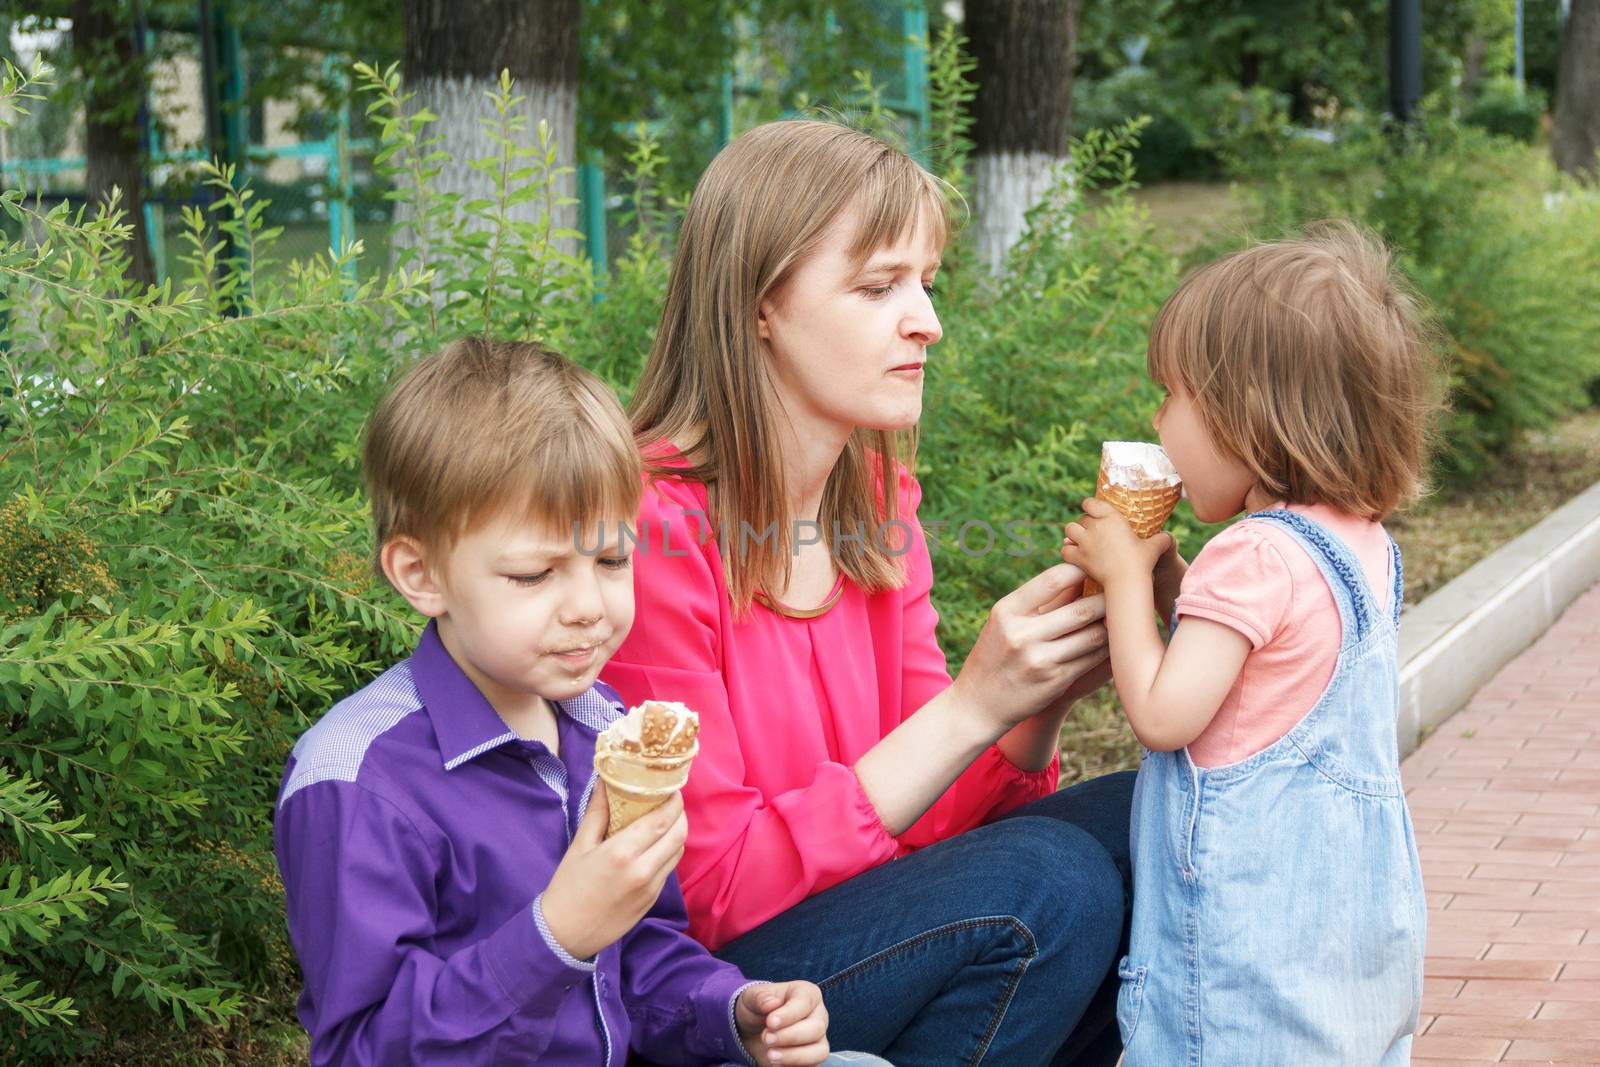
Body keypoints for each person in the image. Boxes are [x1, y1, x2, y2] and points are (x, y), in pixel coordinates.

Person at [603, 119, 1139, 1067]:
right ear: (760, 304)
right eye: (879, 286)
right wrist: (972, 704)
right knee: (1050, 880)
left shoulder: (875, 505)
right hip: (723, 993)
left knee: (1151, 821)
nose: (927, 319)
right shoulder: (649, 532)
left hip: (862, 929)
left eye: (927, 282)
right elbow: (714, 889)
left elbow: (931, 819)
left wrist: (1033, 703)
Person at [273, 338, 846, 1067]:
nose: (587, 605)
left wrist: (729, 1010)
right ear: (421, 573)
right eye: (535, 573)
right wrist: (556, 934)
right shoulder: (358, 780)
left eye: (611, 559)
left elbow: (638, 958)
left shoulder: (602, 727)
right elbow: (366, 1050)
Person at [1060, 222, 1438, 1064]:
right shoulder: (1356, 543)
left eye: (1171, 396)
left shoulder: (1254, 551)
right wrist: (1164, 578)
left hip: (1244, 971)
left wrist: (1123, 581)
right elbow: (1248, 656)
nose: (1158, 420)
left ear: (1244, 414)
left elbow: (1165, 712)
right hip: (1343, 954)